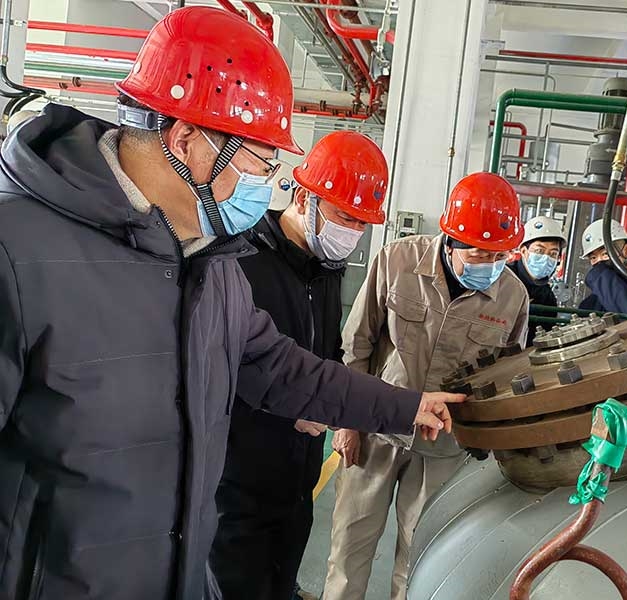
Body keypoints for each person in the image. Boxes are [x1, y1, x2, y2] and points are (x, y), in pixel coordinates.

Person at [0, 8, 461, 600]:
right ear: (186, 140)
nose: (264, 185)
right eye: (257, 162)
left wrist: (403, 406)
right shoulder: (18, 251)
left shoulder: (209, 264)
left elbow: (279, 368)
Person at [323, 172, 531, 600]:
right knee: (348, 551)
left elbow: (506, 381)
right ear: (451, 240)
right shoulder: (397, 262)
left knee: (420, 561)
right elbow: (357, 343)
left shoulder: (513, 297)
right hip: (376, 431)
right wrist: (347, 422)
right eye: (477, 253)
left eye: (498, 255)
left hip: (445, 448)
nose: (488, 265)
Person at [209, 131, 389, 600]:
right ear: (305, 198)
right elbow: (214, 368)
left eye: (361, 223)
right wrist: (288, 407)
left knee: (281, 584)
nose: (352, 232)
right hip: (236, 483)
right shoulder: (240, 258)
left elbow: (325, 353)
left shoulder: (324, 269)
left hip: (296, 479)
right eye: (344, 217)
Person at [509, 215, 566, 345]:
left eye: (553, 254)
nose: (546, 258)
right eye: (539, 251)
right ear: (524, 251)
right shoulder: (503, 279)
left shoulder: (548, 297)